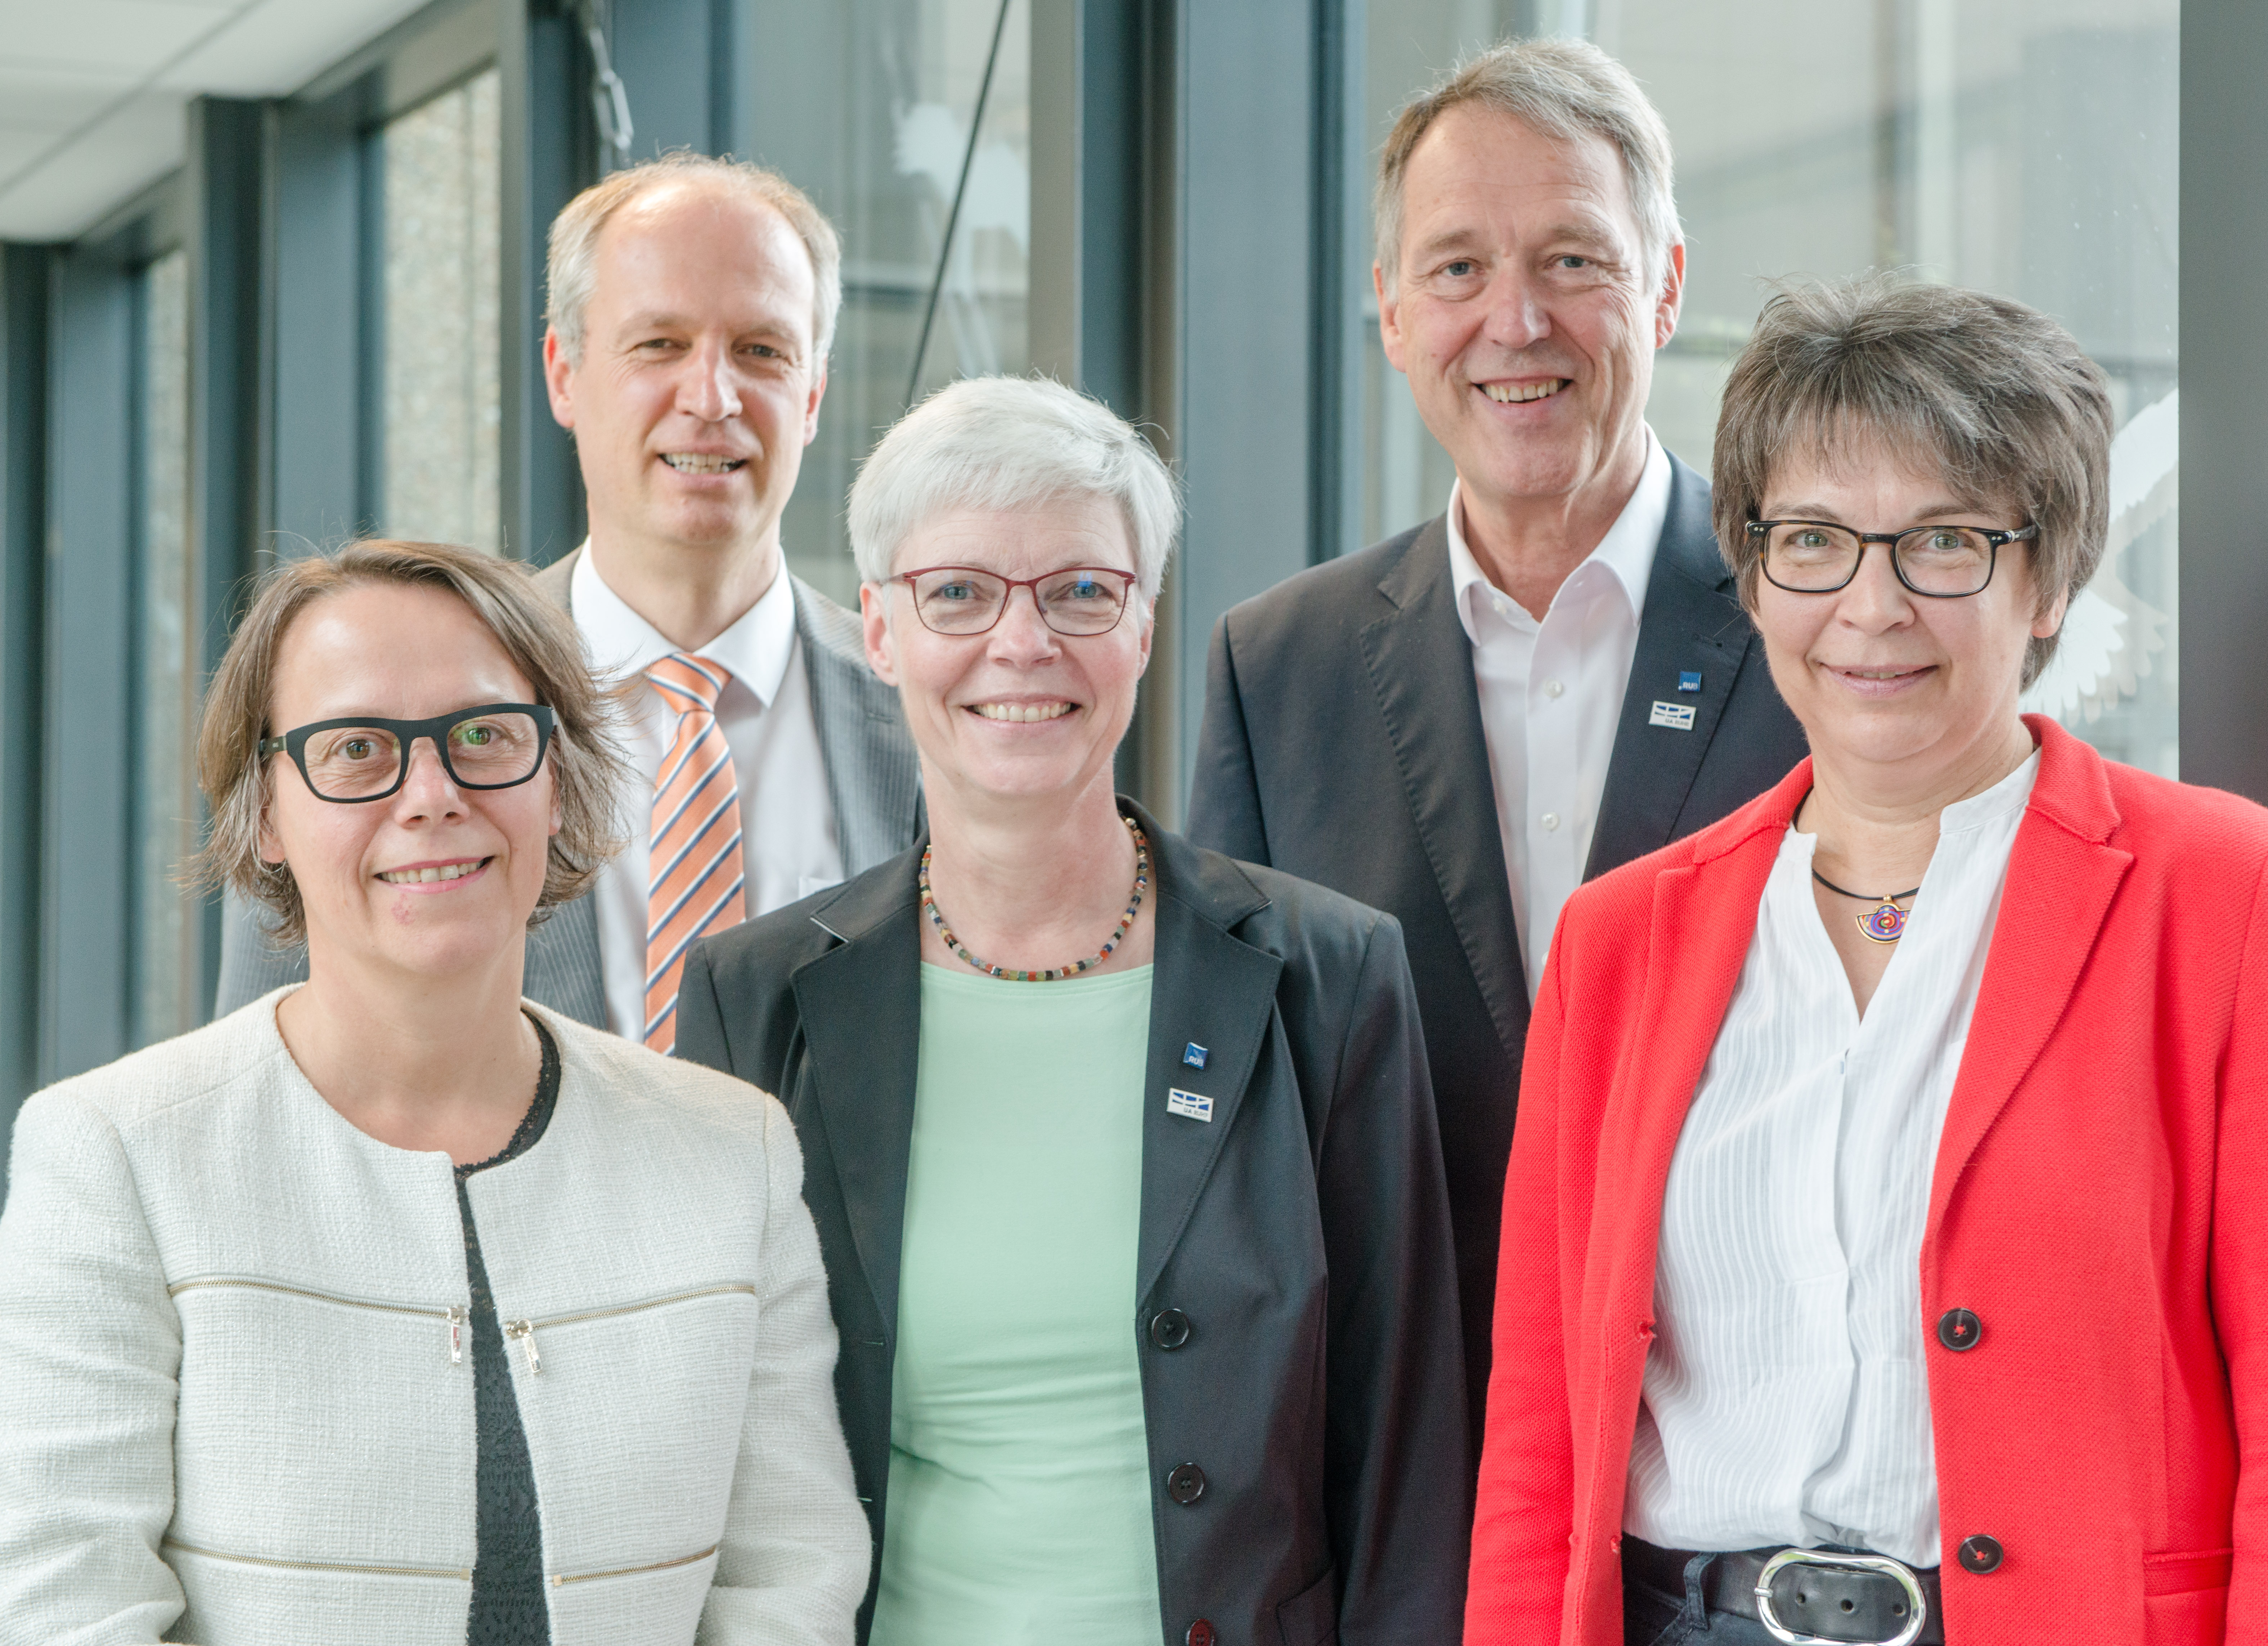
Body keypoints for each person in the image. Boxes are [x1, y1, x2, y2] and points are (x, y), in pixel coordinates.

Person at [1465, 279, 2268, 1646]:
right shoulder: (1622, 940)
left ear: (2048, 580)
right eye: (1813, 541)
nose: (1872, 604)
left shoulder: (2233, 897)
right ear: (1752, 567)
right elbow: (1538, 1444)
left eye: (1944, 544)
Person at [675, 377, 1470, 1644]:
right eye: (959, 593)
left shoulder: (1328, 976)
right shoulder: (753, 1001)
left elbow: (1407, 1447)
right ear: (880, 630)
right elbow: (709, 1453)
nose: (1023, 642)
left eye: (1081, 591)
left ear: (1144, 626)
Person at [0, 540, 870, 1643]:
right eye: (356, 749)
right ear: (265, 810)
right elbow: (69, 1607)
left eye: (484, 737)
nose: (432, 796)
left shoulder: (730, 1150)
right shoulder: (117, 1153)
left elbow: (788, 1584)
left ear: (557, 781)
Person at [1186, 37, 1806, 1424]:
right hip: (1415, 1460)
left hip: (1751, 1453)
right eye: (1457, 268)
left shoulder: (1817, 624)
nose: (1514, 321)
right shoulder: (1274, 666)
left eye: (1574, 261)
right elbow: (1243, 1131)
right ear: (1392, 313)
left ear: (1666, 283)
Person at [217, 153, 920, 1049]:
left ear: (813, 393)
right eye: (659, 344)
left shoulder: (931, 710)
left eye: (762, 351)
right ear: (562, 372)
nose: (711, 398)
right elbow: (262, 1075)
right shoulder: (368, 712)